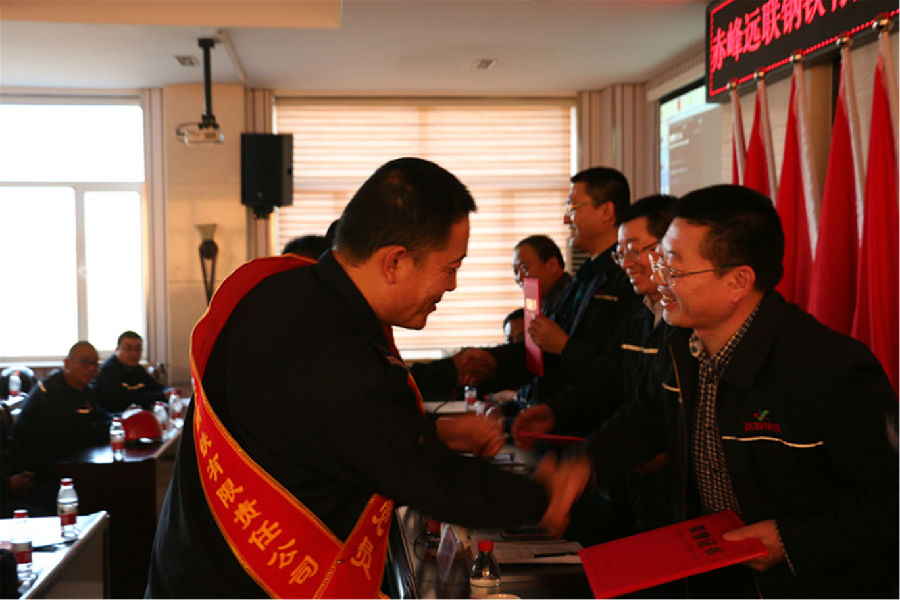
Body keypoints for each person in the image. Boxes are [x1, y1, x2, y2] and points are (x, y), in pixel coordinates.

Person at [146, 157, 561, 598]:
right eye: (451, 267)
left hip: (187, 566)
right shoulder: (338, 356)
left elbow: (322, 435)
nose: (453, 285)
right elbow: (429, 480)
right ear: (394, 261)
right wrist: (547, 494)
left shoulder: (274, 291)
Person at [533, 185, 899, 598]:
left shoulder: (830, 369)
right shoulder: (680, 344)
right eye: (660, 261)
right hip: (715, 574)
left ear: (738, 281)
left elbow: (890, 499)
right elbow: (646, 419)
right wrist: (585, 464)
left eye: (675, 269)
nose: (660, 278)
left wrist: (790, 539)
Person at [514, 194, 676, 541]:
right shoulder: (640, 316)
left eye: (635, 250)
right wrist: (554, 412)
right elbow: (607, 381)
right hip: (627, 482)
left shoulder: (687, 326)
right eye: (621, 253)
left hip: (675, 500)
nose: (626, 263)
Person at [487, 167, 640, 407]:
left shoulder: (628, 277)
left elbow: (623, 369)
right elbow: (543, 352)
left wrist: (564, 346)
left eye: (572, 207)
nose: (566, 219)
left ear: (606, 212)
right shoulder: (584, 275)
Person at [11, 342, 111, 513]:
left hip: (67, 462)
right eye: (84, 362)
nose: (91, 368)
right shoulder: (51, 391)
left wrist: (119, 422)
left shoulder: (83, 389)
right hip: (37, 474)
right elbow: (75, 434)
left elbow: (102, 417)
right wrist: (107, 428)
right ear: (67, 363)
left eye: (95, 363)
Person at [93, 331, 182, 413]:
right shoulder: (108, 371)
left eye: (138, 349)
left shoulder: (137, 369)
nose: (134, 353)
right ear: (117, 350)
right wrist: (162, 396)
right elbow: (125, 400)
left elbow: (155, 386)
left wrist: (170, 391)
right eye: (128, 349)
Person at [512, 234, 572, 314]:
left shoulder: (572, 298)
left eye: (524, 268)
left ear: (552, 265)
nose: (519, 278)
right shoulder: (542, 302)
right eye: (516, 272)